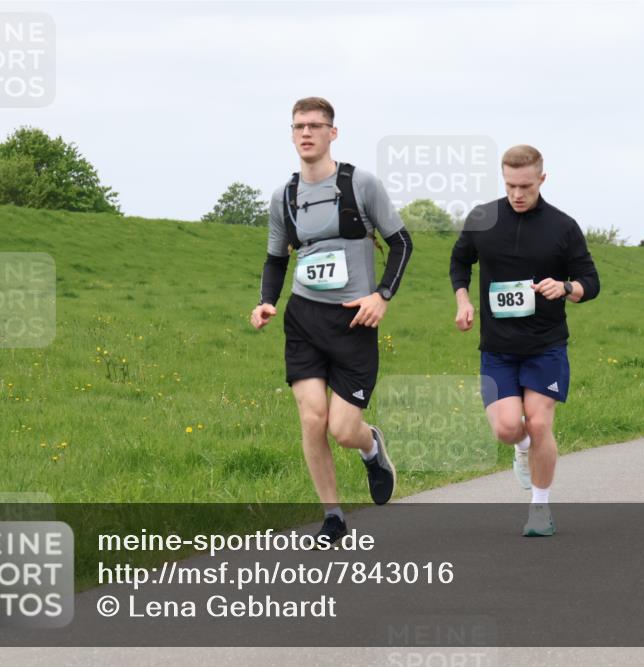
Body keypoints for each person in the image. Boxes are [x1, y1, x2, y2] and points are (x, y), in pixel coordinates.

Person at [250, 97, 413, 546]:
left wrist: (382, 297)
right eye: (299, 126)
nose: (306, 133)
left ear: (332, 133)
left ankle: (370, 446)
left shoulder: (361, 184)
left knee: (342, 429)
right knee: (311, 418)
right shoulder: (284, 196)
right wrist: (267, 300)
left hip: (353, 322)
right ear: (292, 133)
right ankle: (334, 515)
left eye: (315, 126)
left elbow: (401, 243)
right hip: (303, 319)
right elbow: (274, 257)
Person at [449, 144, 600, 536]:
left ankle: (540, 508)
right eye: (511, 185)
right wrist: (463, 299)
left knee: (538, 422)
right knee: (507, 429)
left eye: (526, 186)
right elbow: (460, 261)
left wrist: (565, 287)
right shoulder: (483, 218)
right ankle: (520, 450)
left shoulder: (563, 227)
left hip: (545, 346)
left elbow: (591, 282)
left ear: (542, 180)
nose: (518, 194)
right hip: (497, 348)